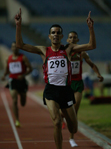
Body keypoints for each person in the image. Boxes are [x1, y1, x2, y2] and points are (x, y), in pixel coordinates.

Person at [15, 8, 96, 149]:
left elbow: (91, 46)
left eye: (58, 33)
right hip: (51, 91)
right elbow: (20, 45)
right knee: (57, 122)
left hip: (66, 91)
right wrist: (18, 26)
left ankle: (66, 115)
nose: (56, 35)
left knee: (73, 128)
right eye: (53, 33)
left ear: (62, 35)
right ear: (49, 36)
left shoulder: (69, 49)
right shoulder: (43, 50)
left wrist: (90, 28)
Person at [61, 31, 103, 147]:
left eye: (75, 37)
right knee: (62, 112)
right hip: (67, 84)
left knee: (75, 111)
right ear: (67, 40)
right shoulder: (64, 52)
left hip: (78, 84)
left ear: (78, 40)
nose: (72, 39)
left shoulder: (82, 53)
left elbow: (92, 64)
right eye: (70, 37)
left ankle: (71, 138)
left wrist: (98, 74)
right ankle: (63, 116)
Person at [1, 41, 32, 127]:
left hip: (21, 81)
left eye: (16, 47)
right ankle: (17, 120)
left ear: (18, 48)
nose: (14, 48)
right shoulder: (9, 59)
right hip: (13, 81)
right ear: (11, 48)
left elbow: (30, 68)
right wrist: (4, 76)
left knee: (22, 103)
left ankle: (23, 94)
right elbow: (7, 70)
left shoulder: (23, 57)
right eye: (13, 47)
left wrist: (23, 75)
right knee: (14, 100)